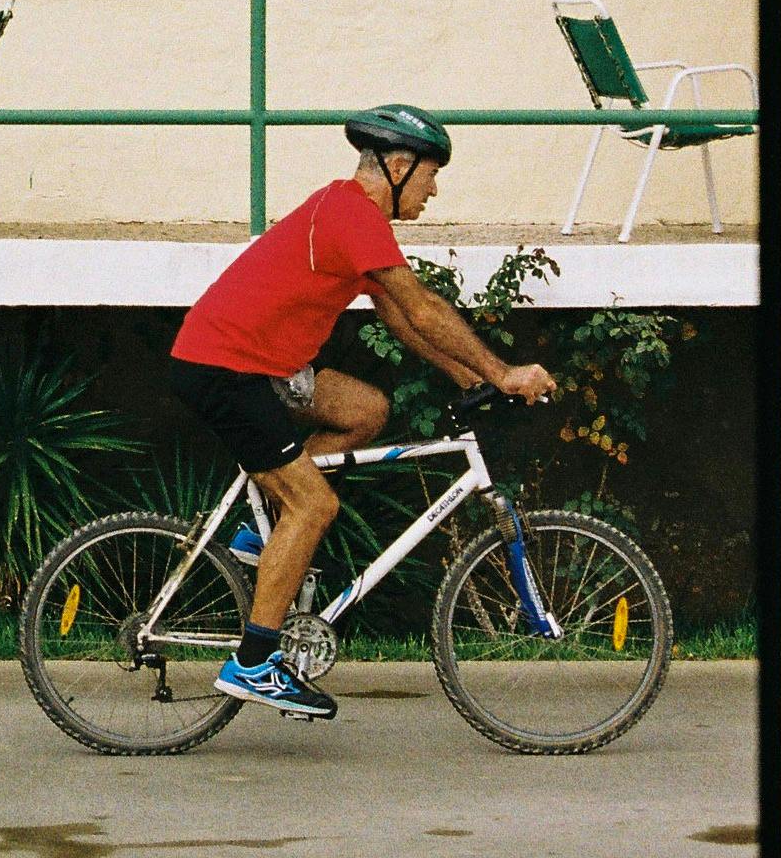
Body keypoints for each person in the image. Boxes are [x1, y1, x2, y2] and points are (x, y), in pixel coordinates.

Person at [166, 106, 556, 721]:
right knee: (315, 505)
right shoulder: (351, 214)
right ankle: (254, 663)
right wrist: (504, 371)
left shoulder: (352, 215)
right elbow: (421, 307)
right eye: (431, 174)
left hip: (269, 366)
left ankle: (258, 534)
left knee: (366, 408)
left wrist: (470, 374)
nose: (434, 189)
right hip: (227, 368)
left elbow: (399, 319)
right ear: (399, 167)